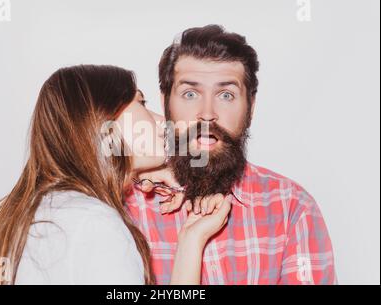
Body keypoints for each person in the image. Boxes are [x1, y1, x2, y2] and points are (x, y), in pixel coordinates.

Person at [0, 64, 230, 285]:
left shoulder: (29, 214)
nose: (161, 119)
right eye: (141, 102)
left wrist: (191, 239)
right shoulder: (93, 221)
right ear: (106, 118)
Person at [126, 25, 337, 285]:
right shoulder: (124, 208)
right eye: (190, 94)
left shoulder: (292, 208)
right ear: (164, 102)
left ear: (251, 106)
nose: (206, 113)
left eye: (226, 95)